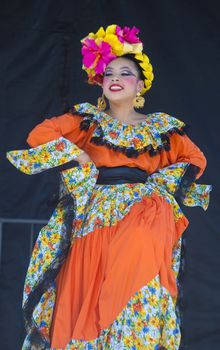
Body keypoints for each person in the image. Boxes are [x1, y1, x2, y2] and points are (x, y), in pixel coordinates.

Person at [7, 24, 211, 350]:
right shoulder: (88, 121)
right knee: (85, 296)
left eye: (125, 72)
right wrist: (79, 156)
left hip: (142, 214)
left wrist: (158, 188)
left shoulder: (161, 128)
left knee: (137, 284)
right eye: (108, 72)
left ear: (140, 84)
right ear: (100, 83)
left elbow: (194, 159)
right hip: (95, 217)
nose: (115, 77)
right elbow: (39, 135)